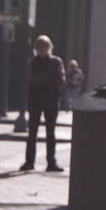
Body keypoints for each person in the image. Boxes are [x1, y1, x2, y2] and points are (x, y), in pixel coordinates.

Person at [21, 35, 65, 173]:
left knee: (50, 133)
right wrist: (46, 80)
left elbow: (60, 80)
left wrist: (43, 81)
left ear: (49, 47)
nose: (42, 49)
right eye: (39, 47)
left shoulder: (56, 62)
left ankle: (51, 162)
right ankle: (29, 162)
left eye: (45, 47)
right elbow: (30, 79)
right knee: (32, 133)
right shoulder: (32, 62)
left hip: (51, 101)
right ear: (36, 48)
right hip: (35, 101)